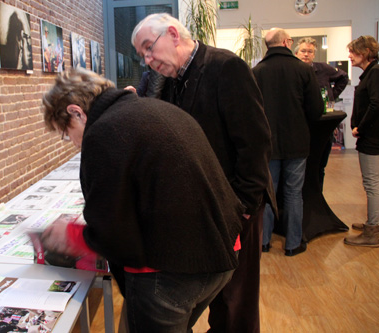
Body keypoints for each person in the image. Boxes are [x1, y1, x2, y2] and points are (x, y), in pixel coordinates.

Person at [41, 68, 244, 332]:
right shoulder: (157, 110)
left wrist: (70, 236)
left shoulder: (103, 133)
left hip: (171, 270)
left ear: (76, 112)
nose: (72, 142)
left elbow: (114, 235)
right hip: (221, 254)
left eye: (66, 132)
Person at [131, 13, 276, 333]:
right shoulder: (167, 81)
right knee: (210, 293)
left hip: (236, 208)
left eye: (149, 48)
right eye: (142, 55)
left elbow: (255, 144)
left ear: (172, 33)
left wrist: (243, 209)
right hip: (202, 212)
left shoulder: (226, 67)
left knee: (235, 304)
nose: (148, 59)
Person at [253, 28, 324, 256]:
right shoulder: (304, 70)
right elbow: (316, 110)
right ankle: (293, 244)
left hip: (267, 144)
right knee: (294, 193)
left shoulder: (257, 72)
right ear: (286, 42)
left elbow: (250, 111)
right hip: (297, 142)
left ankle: (264, 242)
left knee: (268, 193)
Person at [294, 37, 350, 188]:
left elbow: (343, 77)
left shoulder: (323, 69)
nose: (306, 54)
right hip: (301, 125)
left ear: (314, 54)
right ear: (296, 53)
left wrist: (332, 94)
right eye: (303, 51)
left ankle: (318, 196)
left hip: (322, 124)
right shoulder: (293, 70)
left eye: (310, 52)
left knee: (320, 164)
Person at [343, 35, 379, 247]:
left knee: (372, 184)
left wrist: (359, 127)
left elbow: (376, 105)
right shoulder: (371, 72)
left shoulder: (374, 73)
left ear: (365, 52)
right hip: (372, 136)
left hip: (372, 139)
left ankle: (372, 230)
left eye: (353, 52)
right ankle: (372, 223)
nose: (349, 56)